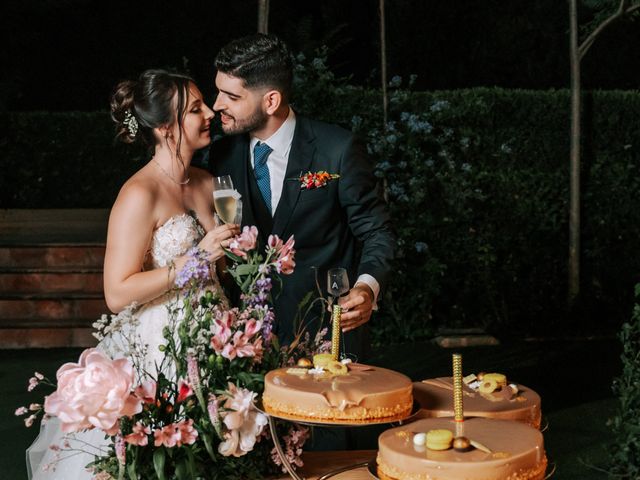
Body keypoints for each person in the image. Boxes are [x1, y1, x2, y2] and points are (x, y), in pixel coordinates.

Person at [26, 69, 239, 479]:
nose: (210, 112)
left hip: (217, 337)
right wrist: (194, 259)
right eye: (196, 108)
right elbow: (117, 292)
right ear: (164, 128)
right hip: (159, 347)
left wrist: (232, 253)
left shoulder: (209, 182)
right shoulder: (139, 194)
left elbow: (220, 263)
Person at [209, 34, 395, 362]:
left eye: (231, 96)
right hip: (246, 345)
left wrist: (366, 288)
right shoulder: (219, 155)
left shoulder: (336, 149)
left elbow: (377, 231)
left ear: (271, 101)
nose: (217, 105)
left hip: (327, 334)